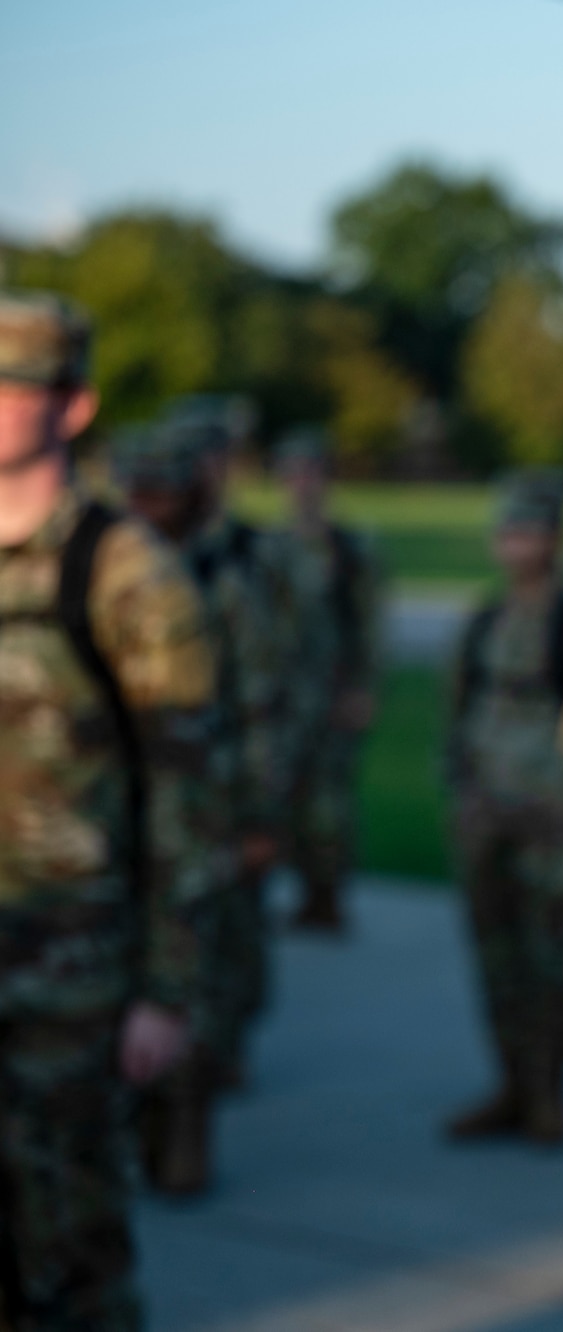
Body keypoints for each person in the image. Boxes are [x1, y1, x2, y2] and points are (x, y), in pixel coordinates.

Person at [0, 291, 215, 1328]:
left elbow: (185, 791)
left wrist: (166, 989)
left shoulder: (127, 573)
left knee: (74, 1249)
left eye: (16, 385)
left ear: (73, 407)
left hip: (71, 977)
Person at [112, 419, 291, 1194]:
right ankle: (129, 1125)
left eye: (164, 490)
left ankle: (184, 1139)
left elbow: (259, 706)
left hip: (206, 807)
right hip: (118, 805)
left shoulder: (223, 585)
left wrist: (258, 818)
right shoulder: (108, 578)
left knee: (194, 976)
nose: (148, 505)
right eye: (137, 489)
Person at [443, 469, 563, 1144]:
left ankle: (549, 1090)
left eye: (529, 530)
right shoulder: (483, 619)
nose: (515, 544)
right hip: (487, 814)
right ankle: (510, 1083)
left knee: (554, 962)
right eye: (507, 531)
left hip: (554, 819)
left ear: (555, 538)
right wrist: (461, 792)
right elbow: (457, 712)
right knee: (496, 958)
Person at [266, 427, 382, 932]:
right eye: (293, 472)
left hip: (332, 688)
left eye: (311, 471)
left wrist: (364, 688)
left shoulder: (350, 547)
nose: (302, 482)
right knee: (280, 795)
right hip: (282, 693)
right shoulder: (269, 545)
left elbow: (370, 624)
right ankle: (292, 892)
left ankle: (327, 896)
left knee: (329, 804)